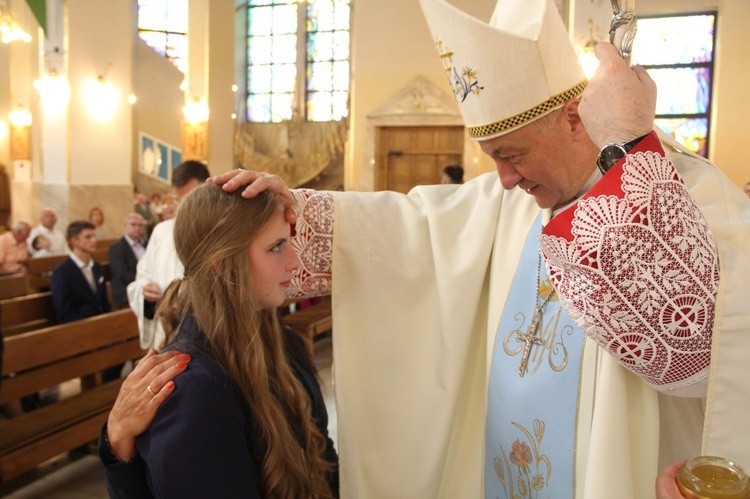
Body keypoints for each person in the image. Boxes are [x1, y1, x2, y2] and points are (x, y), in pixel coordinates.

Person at [104, 0, 750, 496]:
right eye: (492, 158)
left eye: (511, 154)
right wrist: (289, 209)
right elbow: (408, 229)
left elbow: (686, 352)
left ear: (577, 119)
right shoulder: (508, 204)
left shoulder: (691, 196)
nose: (503, 178)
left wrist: (629, 145)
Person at [99, 183, 339, 498]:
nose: (295, 262)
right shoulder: (193, 390)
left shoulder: (287, 344)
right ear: (221, 260)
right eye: (277, 246)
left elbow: (324, 463)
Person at [127, 160, 210, 350]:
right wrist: (145, 290)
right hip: (166, 335)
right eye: (178, 199)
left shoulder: (219, 230)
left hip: (206, 336)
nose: (183, 206)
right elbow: (143, 276)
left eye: (190, 196)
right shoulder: (161, 231)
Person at [50, 221, 119, 381]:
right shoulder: (62, 271)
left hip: (100, 325)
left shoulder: (96, 266)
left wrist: (111, 323)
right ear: (74, 241)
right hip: (79, 329)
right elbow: (64, 311)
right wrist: (91, 327)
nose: (93, 240)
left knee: (123, 343)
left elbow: (104, 302)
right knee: (112, 351)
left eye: (93, 236)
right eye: (87, 237)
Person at [108, 213, 146, 309]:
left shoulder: (147, 244)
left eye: (140, 225)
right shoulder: (116, 248)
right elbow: (121, 274)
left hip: (146, 288)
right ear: (125, 226)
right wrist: (145, 282)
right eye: (133, 225)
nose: (137, 228)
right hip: (127, 292)